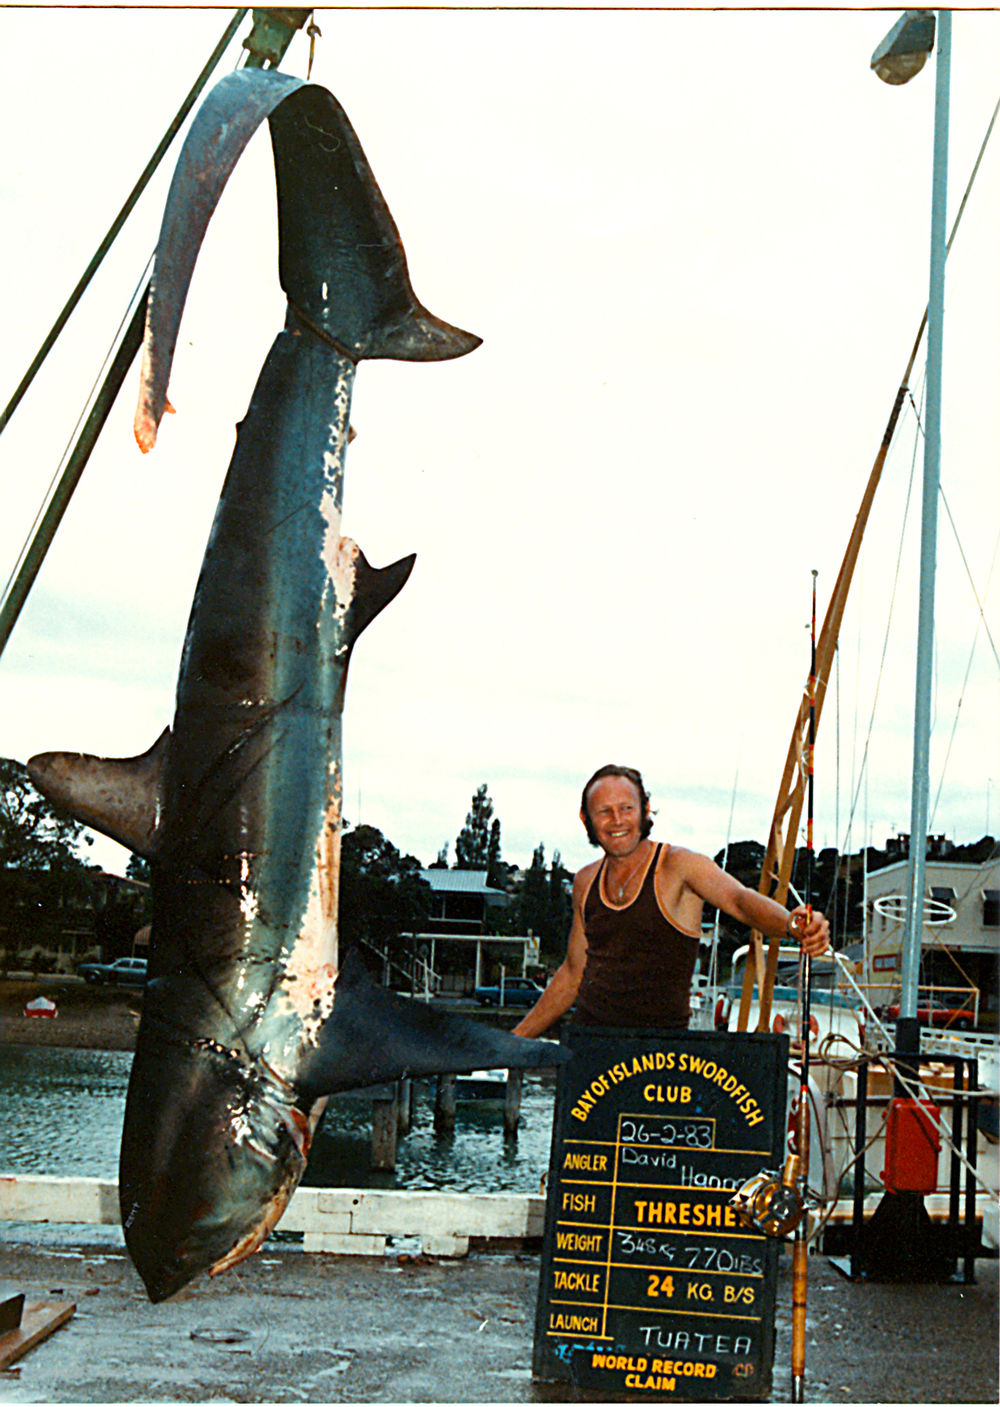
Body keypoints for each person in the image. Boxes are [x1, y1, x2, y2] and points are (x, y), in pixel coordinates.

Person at [512, 763, 830, 1037]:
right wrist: (514, 1039)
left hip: (662, 1056)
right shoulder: (585, 881)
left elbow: (739, 900)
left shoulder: (679, 865)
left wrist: (792, 923)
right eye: (604, 812)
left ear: (645, 810)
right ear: (586, 819)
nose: (617, 820)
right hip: (590, 1048)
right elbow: (573, 972)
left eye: (626, 808)